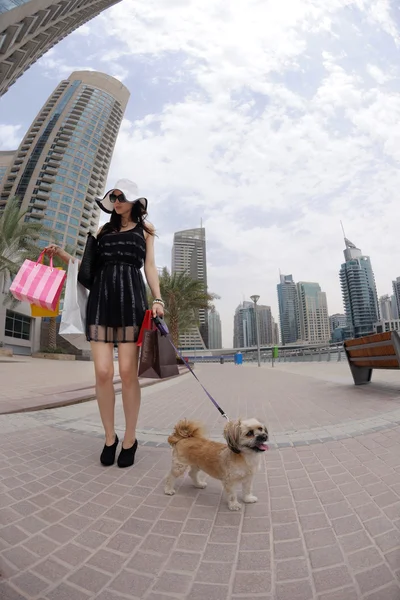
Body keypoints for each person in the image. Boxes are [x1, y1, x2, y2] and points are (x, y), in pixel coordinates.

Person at [45, 179, 164, 468]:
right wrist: (63, 255)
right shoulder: (103, 230)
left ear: (135, 201)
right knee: (101, 372)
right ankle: (110, 437)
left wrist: (158, 299)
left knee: (126, 372)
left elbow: (149, 266)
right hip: (102, 299)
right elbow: (90, 267)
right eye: (113, 196)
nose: (117, 200)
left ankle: (130, 438)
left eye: (122, 196)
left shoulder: (145, 230)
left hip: (130, 300)